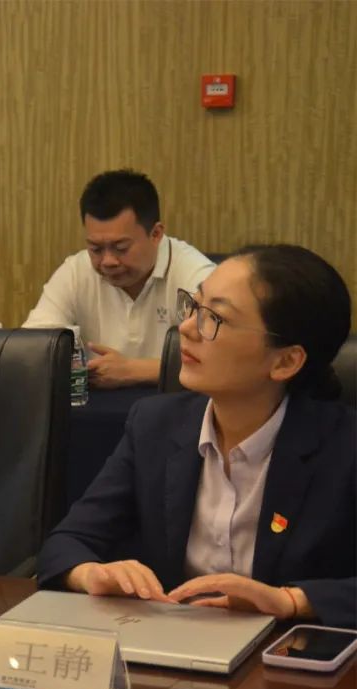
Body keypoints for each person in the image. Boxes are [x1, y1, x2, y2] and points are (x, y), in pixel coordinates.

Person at [36, 244, 355, 628]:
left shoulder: (343, 447)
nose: (186, 328)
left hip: (289, 653)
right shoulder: (155, 425)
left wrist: (290, 601)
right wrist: (91, 573)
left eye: (215, 318)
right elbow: (66, 542)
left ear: (285, 361)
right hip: (174, 642)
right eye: (194, 306)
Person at [24, 169, 215, 388]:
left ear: (156, 234)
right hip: (96, 402)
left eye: (120, 248)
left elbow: (225, 359)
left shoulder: (196, 274)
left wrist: (134, 370)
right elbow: (33, 349)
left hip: (173, 402)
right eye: (96, 248)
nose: (108, 261)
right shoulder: (76, 271)